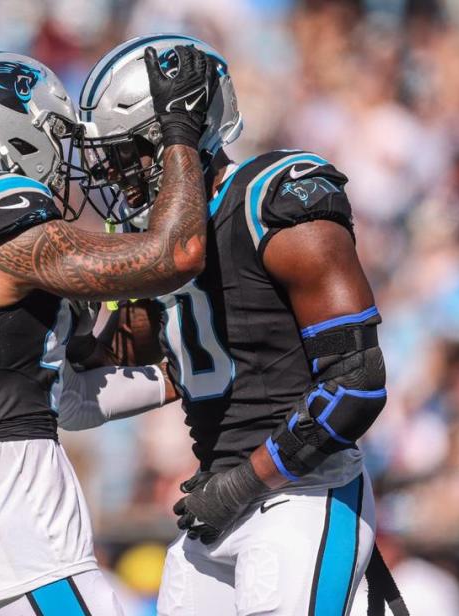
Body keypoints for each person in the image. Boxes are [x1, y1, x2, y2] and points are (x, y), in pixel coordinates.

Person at [0, 48, 216, 614]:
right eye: (52, 132)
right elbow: (177, 252)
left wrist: (175, 375)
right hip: (17, 536)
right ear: (9, 133)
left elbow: (69, 399)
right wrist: (179, 131)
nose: (63, 155)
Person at [77, 34, 405, 616]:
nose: (119, 179)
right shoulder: (162, 240)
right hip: (216, 498)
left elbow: (357, 382)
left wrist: (246, 482)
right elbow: (122, 359)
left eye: (130, 155)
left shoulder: (273, 200)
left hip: (302, 492)